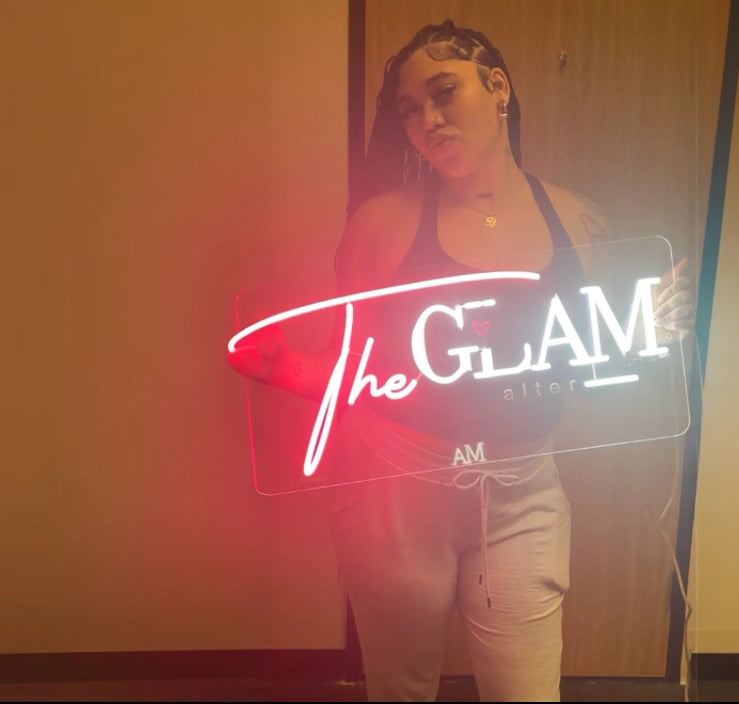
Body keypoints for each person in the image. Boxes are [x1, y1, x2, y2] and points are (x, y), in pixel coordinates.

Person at [229, 20, 693, 702]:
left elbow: (583, 369)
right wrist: (284, 368)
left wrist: (644, 334)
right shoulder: (381, 225)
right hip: (397, 493)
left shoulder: (578, 221)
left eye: (444, 92)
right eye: (409, 110)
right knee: (401, 691)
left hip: (523, 494)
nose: (427, 120)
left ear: (498, 87)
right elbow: (353, 369)